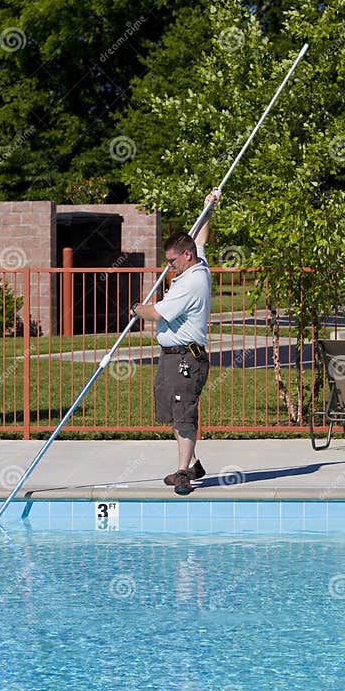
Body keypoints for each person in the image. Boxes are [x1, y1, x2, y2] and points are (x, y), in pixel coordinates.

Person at [131, 189, 220, 495]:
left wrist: (135, 309)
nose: (170, 266)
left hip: (186, 359)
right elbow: (202, 239)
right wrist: (207, 209)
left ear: (186, 256)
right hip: (171, 356)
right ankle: (193, 463)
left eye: (172, 261)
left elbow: (156, 313)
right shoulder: (197, 264)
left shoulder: (193, 281)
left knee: (184, 415)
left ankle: (183, 473)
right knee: (172, 410)